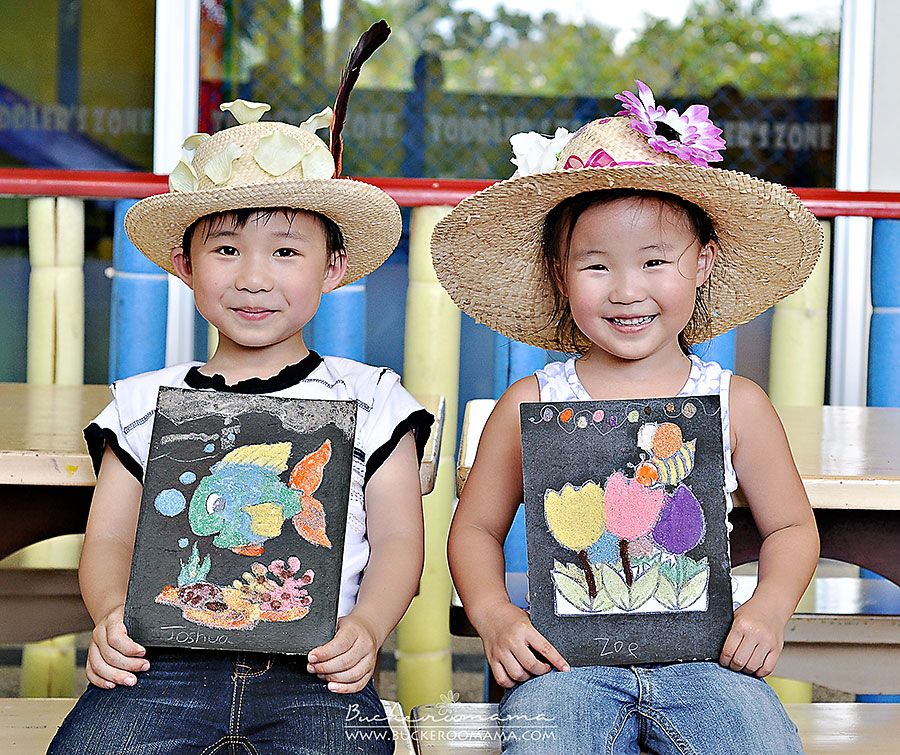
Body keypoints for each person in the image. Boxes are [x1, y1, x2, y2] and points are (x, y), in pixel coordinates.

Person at [433, 80, 821, 754]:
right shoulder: (531, 400)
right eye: (596, 265)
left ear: (702, 263)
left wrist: (769, 606)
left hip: (708, 664)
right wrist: (493, 614)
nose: (626, 290)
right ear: (560, 274)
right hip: (565, 668)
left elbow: (791, 525)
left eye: (653, 262)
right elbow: (474, 526)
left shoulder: (737, 401)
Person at [48, 97, 432, 754]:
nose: (254, 277)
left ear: (332, 267)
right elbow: (109, 534)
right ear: (184, 263)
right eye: (226, 248)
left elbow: (398, 540)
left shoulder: (375, 398)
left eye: (286, 250)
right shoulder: (143, 401)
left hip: (317, 668)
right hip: (158, 663)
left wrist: (366, 628)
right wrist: (111, 612)